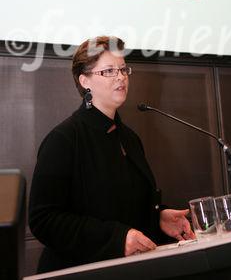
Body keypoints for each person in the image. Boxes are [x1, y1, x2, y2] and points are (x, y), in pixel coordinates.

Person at [29, 36, 194, 273]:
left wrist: (158, 218)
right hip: (80, 271)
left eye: (123, 69)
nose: (120, 77)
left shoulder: (129, 138)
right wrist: (115, 239)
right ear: (84, 80)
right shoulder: (64, 139)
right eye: (108, 71)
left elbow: (125, 208)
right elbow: (43, 220)